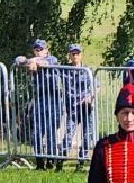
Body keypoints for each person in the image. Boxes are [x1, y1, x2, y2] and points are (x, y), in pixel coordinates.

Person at [21, 38, 63, 169]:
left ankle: (51, 160)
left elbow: (45, 63)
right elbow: (18, 61)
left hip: (54, 99)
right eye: (37, 50)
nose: (39, 52)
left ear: (46, 50)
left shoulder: (52, 59)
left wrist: (33, 62)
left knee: (51, 131)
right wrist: (28, 61)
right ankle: (39, 162)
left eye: (41, 49)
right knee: (38, 132)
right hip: (40, 99)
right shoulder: (33, 61)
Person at [58, 43, 97, 166]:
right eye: (73, 54)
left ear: (82, 55)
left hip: (86, 109)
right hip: (72, 109)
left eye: (78, 53)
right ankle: (60, 160)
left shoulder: (88, 70)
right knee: (68, 135)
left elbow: (96, 86)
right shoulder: (65, 70)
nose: (75, 56)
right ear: (70, 55)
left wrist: (90, 97)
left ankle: (82, 161)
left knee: (87, 136)